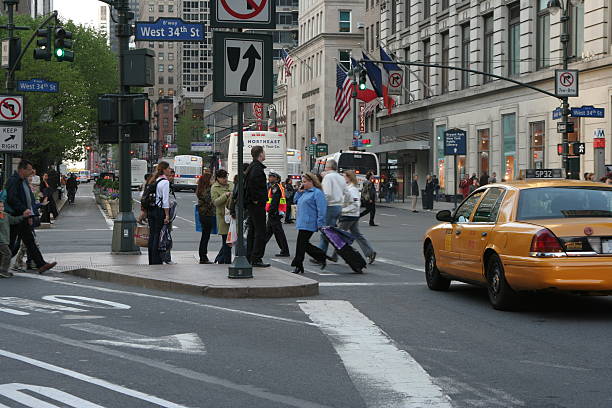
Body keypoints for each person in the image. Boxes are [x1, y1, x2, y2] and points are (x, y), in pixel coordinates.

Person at [6, 160, 56, 274]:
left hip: (23, 216)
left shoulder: (22, 181)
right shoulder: (14, 181)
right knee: (11, 243)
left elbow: (27, 199)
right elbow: (12, 198)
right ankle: (4, 265)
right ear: (22, 169)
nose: (31, 171)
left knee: (29, 241)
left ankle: (41, 264)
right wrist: (23, 210)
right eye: (29, 169)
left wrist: (29, 215)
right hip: (15, 216)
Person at [332, 170, 376, 264]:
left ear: (349, 177)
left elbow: (355, 203)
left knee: (339, 236)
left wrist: (342, 210)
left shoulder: (352, 189)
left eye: (344, 176)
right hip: (352, 216)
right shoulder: (349, 187)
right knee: (357, 235)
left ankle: (335, 256)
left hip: (348, 216)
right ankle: (370, 252)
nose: (343, 178)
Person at [291, 173, 327, 274]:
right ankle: (321, 255)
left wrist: (320, 223)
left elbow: (322, 210)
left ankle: (298, 264)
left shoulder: (317, 193)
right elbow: (295, 201)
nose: (303, 184)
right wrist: (299, 191)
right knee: (304, 244)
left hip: (309, 222)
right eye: (302, 182)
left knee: (301, 244)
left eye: (305, 182)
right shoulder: (305, 192)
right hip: (302, 222)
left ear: (311, 182)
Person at [316, 159, 347, 262]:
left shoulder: (328, 177)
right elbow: (345, 192)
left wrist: (321, 206)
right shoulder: (341, 177)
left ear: (328, 167)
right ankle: (336, 253)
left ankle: (320, 255)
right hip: (339, 206)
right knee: (332, 232)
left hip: (330, 206)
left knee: (325, 232)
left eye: (325, 167)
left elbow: (327, 194)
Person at [244, 146, 270, 268]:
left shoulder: (252, 167)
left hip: (253, 204)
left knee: (253, 230)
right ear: (260, 154)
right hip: (257, 204)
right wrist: (256, 200)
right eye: (264, 152)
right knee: (260, 231)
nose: (265, 154)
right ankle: (256, 257)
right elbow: (253, 185)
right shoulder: (257, 169)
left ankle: (250, 256)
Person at [145, 161, 171, 265]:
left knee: (152, 235)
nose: (170, 170)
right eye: (168, 168)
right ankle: (156, 259)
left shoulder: (154, 179)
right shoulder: (165, 182)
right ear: (164, 169)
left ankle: (151, 258)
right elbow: (165, 200)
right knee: (157, 234)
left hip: (151, 209)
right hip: (159, 210)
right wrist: (167, 214)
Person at [0, 201, 30, 278]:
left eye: (2, 206)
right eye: (0, 207)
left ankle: (2, 270)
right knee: (7, 254)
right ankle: (3, 271)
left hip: (5, 239)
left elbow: (14, 220)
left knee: (3, 254)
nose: (1, 208)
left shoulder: (5, 215)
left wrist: (23, 216)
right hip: (1, 241)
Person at [264, 172, 290, 257]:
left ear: (277, 179)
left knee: (278, 233)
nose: (269, 178)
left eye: (272, 177)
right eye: (269, 176)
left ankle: (285, 251)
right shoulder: (274, 187)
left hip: (274, 213)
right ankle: (258, 249)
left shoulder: (276, 188)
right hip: (275, 212)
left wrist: (271, 211)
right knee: (269, 232)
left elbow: (274, 201)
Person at [211, 169, 233, 264]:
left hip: (232, 215)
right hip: (223, 216)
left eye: (226, 177)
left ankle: (220, 258)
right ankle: (226, 261)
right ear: (218, 178)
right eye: (223, 178)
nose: (225, 180)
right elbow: (215, 202)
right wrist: (225, 195)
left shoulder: (231, 184)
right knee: (226, 240)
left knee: (231, 240)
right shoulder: (214, 188)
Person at [196, 172, 214, 264]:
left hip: (203, 214)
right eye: (211, 179)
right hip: (206, 214)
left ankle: (203, 255)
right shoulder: (207, 190)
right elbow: (211, 201)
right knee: (205, 236)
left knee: (205, 236)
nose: (213, 181)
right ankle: (203, 256)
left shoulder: (201, 189)